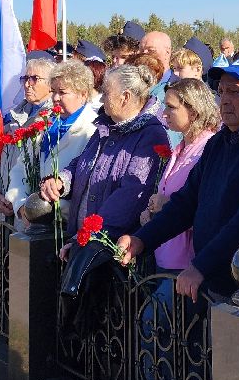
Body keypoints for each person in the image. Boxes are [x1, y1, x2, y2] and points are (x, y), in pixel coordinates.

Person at [120, 57, 239, 299]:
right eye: (221, 90)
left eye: (234, 92)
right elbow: (186, 202)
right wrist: (142, 239)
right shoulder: (219, 142)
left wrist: (201, 265)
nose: (224, 99)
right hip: (213, 278)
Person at [43, 64, 167, 252]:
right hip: (85, 241)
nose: (101, 98)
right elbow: (83, 162)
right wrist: (62, 180)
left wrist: (85, 237)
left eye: (107, 93)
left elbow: (129, 198)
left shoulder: (150, 135)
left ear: (125, 97)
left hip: (110, 251)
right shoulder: (107, 125)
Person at [0, 60, 100, 227]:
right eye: (53, 91)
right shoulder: (46, 123)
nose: (55, 98)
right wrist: (23, 206)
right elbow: (20, 168)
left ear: (82, 94)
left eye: (62, 92)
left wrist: (47, 211)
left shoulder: (92, 130)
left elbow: (84, 186)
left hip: (61, 225)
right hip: (27, 221)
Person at [137, 78, 219, 269]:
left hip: (188, 264)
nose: (164, 114)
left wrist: (166, 205)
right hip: (166, 258)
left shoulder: (207, 150)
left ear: (193, 112)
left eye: (171, 107)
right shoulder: (181, 148)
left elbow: (211, 211)